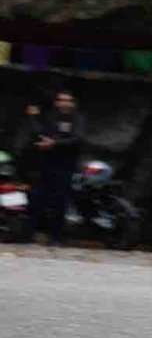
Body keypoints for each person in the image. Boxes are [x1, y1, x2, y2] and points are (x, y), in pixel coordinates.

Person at [28, 89, 87, 247]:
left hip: (66, 165)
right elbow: (40, 134)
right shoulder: (51, 117)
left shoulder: (77, 119)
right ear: (56, 102)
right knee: (37, 198)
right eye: (62, 100)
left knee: (60, 202)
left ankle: (57, 237)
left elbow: (77, 139)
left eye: (68, 100)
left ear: (73, 103)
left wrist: (55, 144)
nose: (64, 103)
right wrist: (33, 118)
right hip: (46, 163)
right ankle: (29, 235)